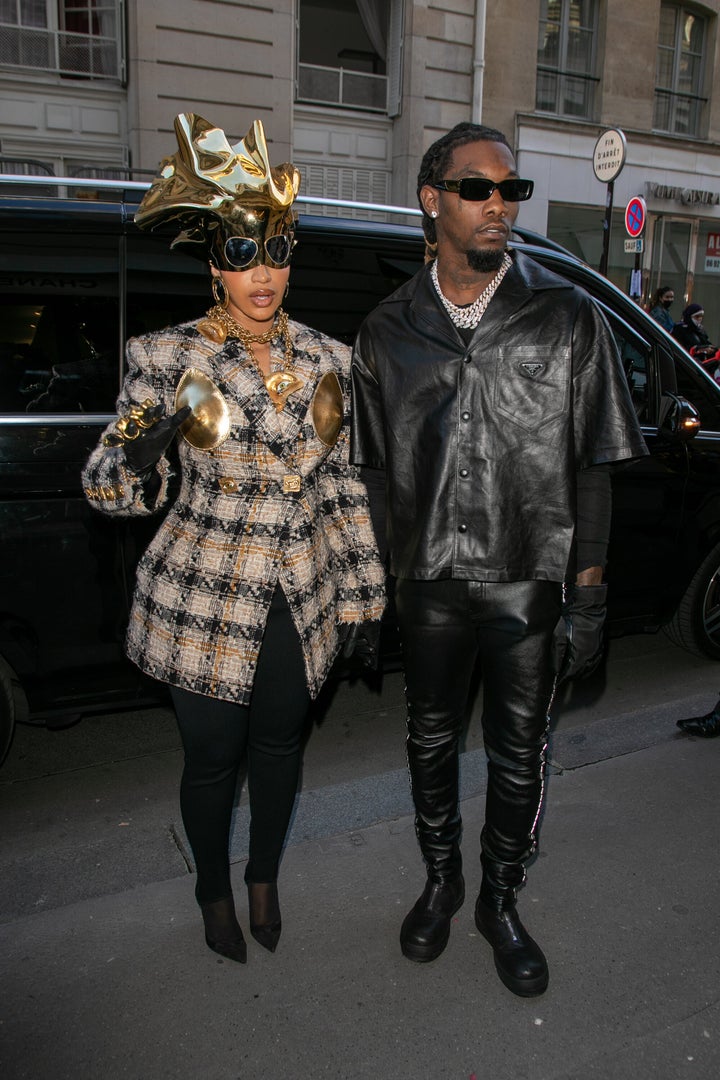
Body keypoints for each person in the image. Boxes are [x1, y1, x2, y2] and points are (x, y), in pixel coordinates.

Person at [351, 122, 647, 997]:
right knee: (430, 740)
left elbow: (593, 467)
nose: (498, 206)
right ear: (432, 200)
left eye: (509, 191)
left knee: (521, 755)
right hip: (428, 580)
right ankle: (443, 883)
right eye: (477, 188)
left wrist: (588, 594)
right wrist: (367, 595)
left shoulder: (568, 318)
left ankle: (500, 901)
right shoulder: (386, 331)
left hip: (529, 576)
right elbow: (371, 480)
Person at [82, 113, 385, 964]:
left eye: (278, 251)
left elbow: (342, 488)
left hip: (299, 590)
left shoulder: (332, 355)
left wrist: (364, 600)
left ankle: (263, 876)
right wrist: (141, 446)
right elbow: (112, 491)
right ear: (216, 262)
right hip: (204, 594)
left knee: (282, 746)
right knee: (213, 759)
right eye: (245, 254)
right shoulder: (165, 355)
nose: (264, 273)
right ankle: (213, 888)